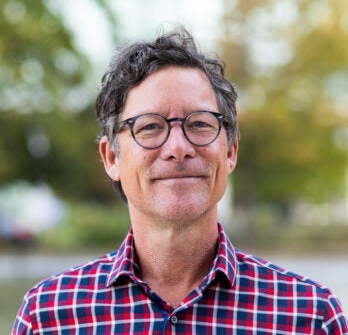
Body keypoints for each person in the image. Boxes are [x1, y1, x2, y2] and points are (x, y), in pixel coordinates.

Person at [13, 28, 347, 334]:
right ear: (112, 158)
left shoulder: (310, 318)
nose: (178, 148)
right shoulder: (48, 317)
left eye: (200, 124)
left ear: (230, 150)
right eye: (150, 127)